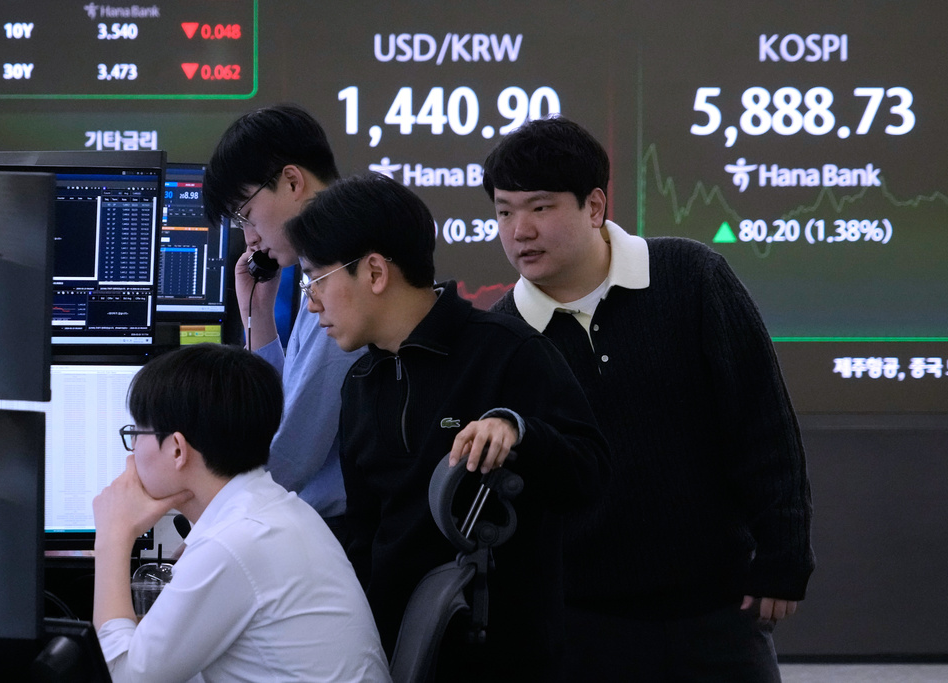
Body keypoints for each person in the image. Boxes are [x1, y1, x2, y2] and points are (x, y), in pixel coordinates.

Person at [482, 116, 815, 682]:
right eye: (503, 211)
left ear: (593, 206)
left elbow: (763, 425)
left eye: (539, 208)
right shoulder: (505, 335)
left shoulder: (691, 278)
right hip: (580, 622)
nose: (519, 231)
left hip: (716, 608)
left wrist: (783, 558)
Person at [285, 173, 609, 682]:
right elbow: (366, 534)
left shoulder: (507, 352)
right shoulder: (361, 384)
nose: (311, 302)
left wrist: (519, 431)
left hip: (505, 660)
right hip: (399, 658)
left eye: (316, 279)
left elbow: (590, 472)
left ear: (373, 272)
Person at [91, 343, 390, 682]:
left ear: (177, 449)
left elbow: (124, 678)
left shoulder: (233, 542)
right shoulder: (275, 510)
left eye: (136, 433)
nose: (132, 454)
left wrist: (113, 539)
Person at [202, 104, 362, 539]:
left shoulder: (341, 282)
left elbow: (286, 456)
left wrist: (205, 513)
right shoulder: (322, 272)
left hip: (342, 536)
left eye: (246, 216)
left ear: (292, 181)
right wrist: (259, 317)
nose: (249, 237)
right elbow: (278, 414)